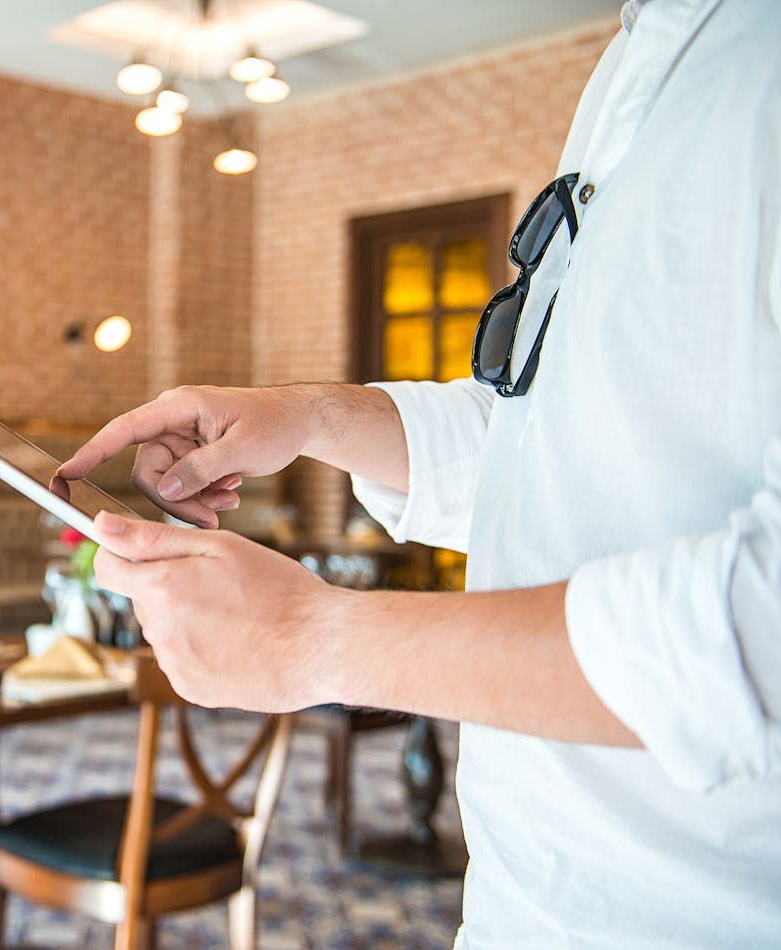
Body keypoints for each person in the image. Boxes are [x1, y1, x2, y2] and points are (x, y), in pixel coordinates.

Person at [57, 0, 781, 945]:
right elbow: (554, 443)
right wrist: (311, 416)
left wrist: (316, 639)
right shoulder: (636, 54)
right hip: (523, 887)